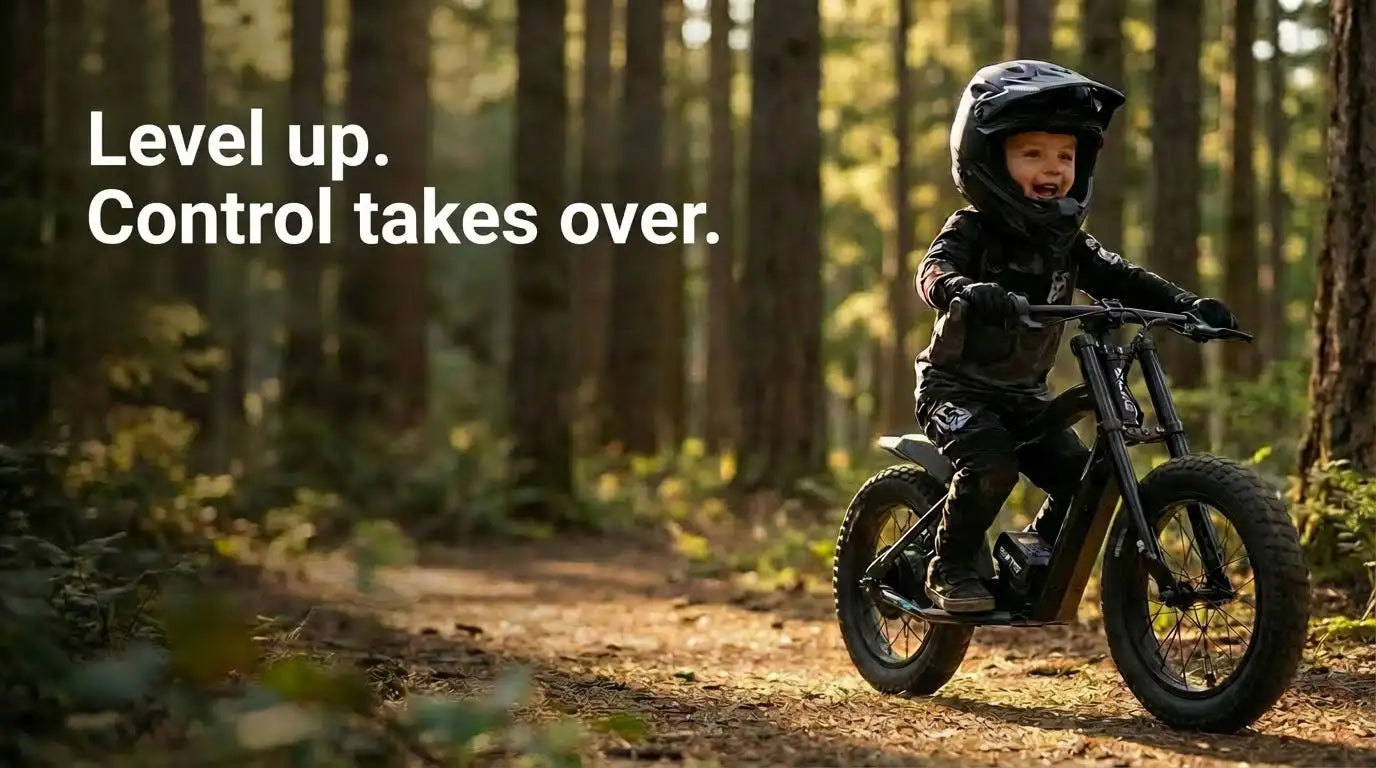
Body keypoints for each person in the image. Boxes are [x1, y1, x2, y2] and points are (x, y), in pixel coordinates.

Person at [911, 60, 1238, 613]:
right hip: (956, 391)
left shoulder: (1069, 242)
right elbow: (933, 271)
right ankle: (949, 565)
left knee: (1081, 479)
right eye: (1032, 153)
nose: (1053, 167)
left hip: (1024, 399)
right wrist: (966, 289)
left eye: (1066, 155)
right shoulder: (971, 228)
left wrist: (1185, 305)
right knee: (991, 466)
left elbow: (1122, 276)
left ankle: (1036, 548)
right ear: (988, 159)